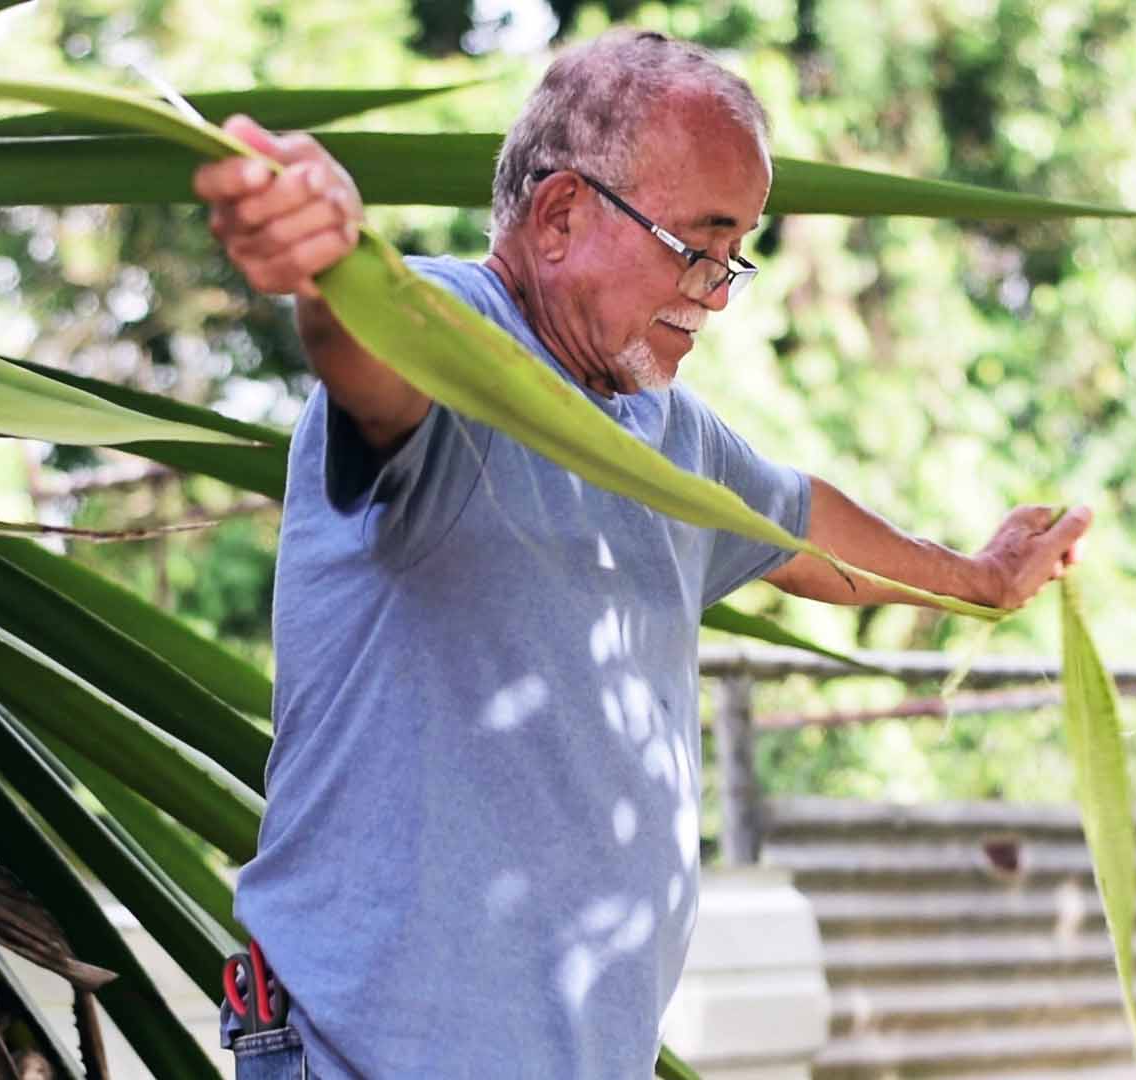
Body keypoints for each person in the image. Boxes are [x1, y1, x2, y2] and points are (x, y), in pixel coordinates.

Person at [192, 29, 1090, 1079]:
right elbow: (378, 346)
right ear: (563, 216)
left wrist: (976, 579)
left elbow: (798, 529)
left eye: (734, 255)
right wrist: (332, 266)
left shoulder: (669, 432)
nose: (715, 291)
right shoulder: (459, 339)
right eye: (697, 245)